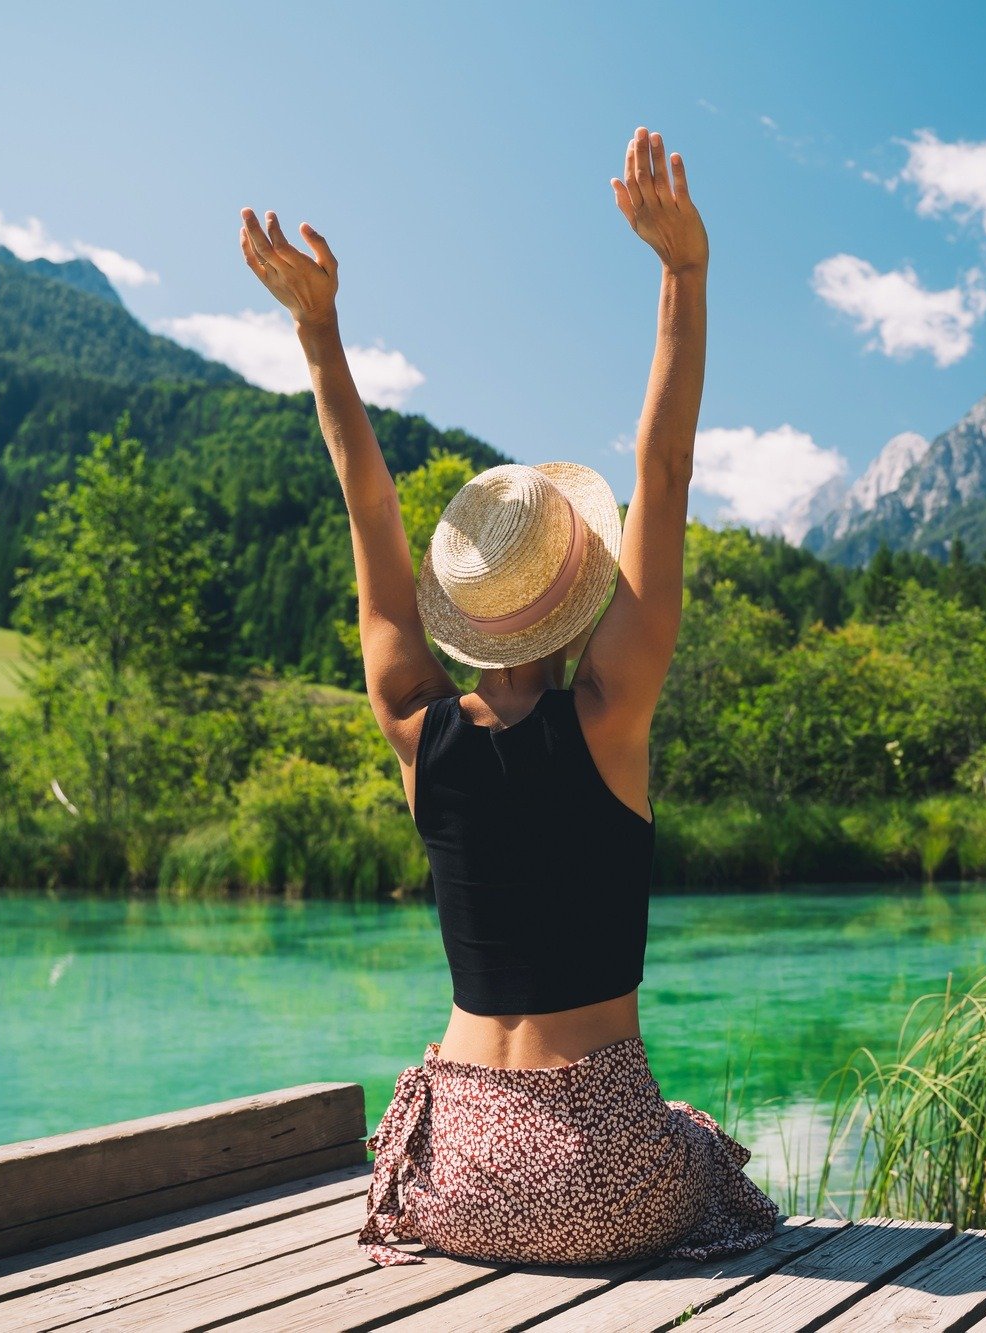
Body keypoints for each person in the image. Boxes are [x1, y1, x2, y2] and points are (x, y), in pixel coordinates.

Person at [236, 125, 778, 1267]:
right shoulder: (609, 716)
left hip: (461, 1181)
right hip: (603, 1178)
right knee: (699, 1146)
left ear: (454, 612)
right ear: (580, 602)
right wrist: (683, 274)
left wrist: (319, 330)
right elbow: (664, 473)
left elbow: (366, 508)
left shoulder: (412, 728)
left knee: (562, 1137)